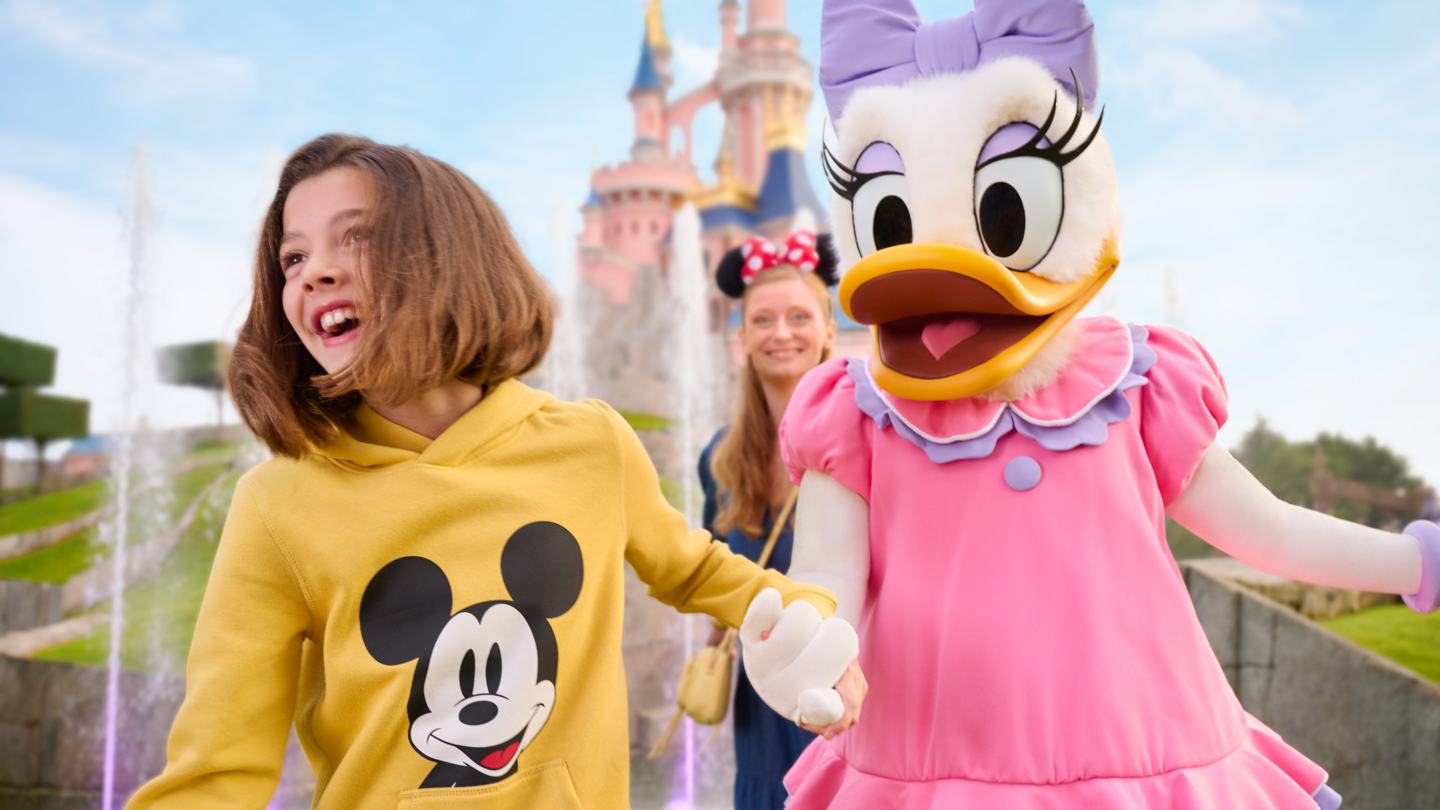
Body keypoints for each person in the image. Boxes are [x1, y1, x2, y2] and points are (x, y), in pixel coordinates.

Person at [125, 134, 864, 810]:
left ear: (448, 256)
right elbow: (214, 775)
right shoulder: (276, 504)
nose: (314, 271)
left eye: (356, 237)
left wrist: (812, 624)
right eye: (292, 258)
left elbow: (698, 570)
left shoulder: (590, 444)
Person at [698, 229, 856, 810]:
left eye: (798, 316)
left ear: (829, 330)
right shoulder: (718, 458)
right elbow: (710, 570)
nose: (781, 333)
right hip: (763, 700)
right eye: (762, 320)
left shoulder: (867, 441)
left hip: (852, 690)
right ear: (741, 338)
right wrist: (713, 641)